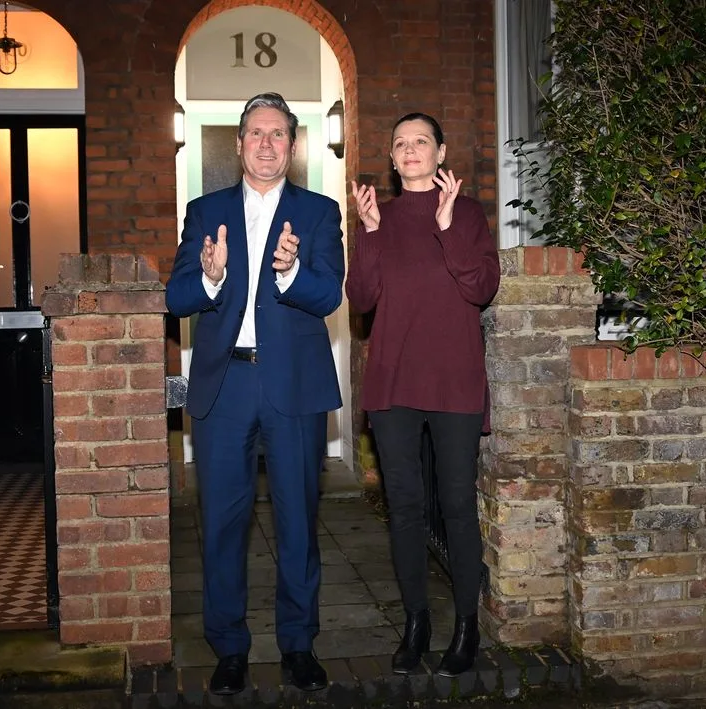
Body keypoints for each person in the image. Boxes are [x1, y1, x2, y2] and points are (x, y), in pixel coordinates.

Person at [165, 93, 344, 696]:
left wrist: (291, 273)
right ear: (238, 144)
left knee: (298, 519)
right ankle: (230, 648)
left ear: (292, 147)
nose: (266, 144)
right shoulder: (204, 210)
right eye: (255, 133)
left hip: (294, 385)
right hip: (226, 385)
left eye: (278, 134)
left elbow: (329, 296)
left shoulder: (319, 213)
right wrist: (209, 278)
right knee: (221, 522)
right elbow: (177, 297)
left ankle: (298, 644)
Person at [345, 112, 500, 677]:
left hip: (454, 380)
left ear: (440, 154)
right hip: (394, 382)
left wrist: (448, 222)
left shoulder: (470, 213)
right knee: (406, 509)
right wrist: (367, 233)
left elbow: (481, 286)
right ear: (391, 159)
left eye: (421, 142)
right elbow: (360, 298)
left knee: (457, 506)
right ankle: (416, 623)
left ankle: (466, 625)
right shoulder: (377, 217)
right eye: (401, 144)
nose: (410, 150)